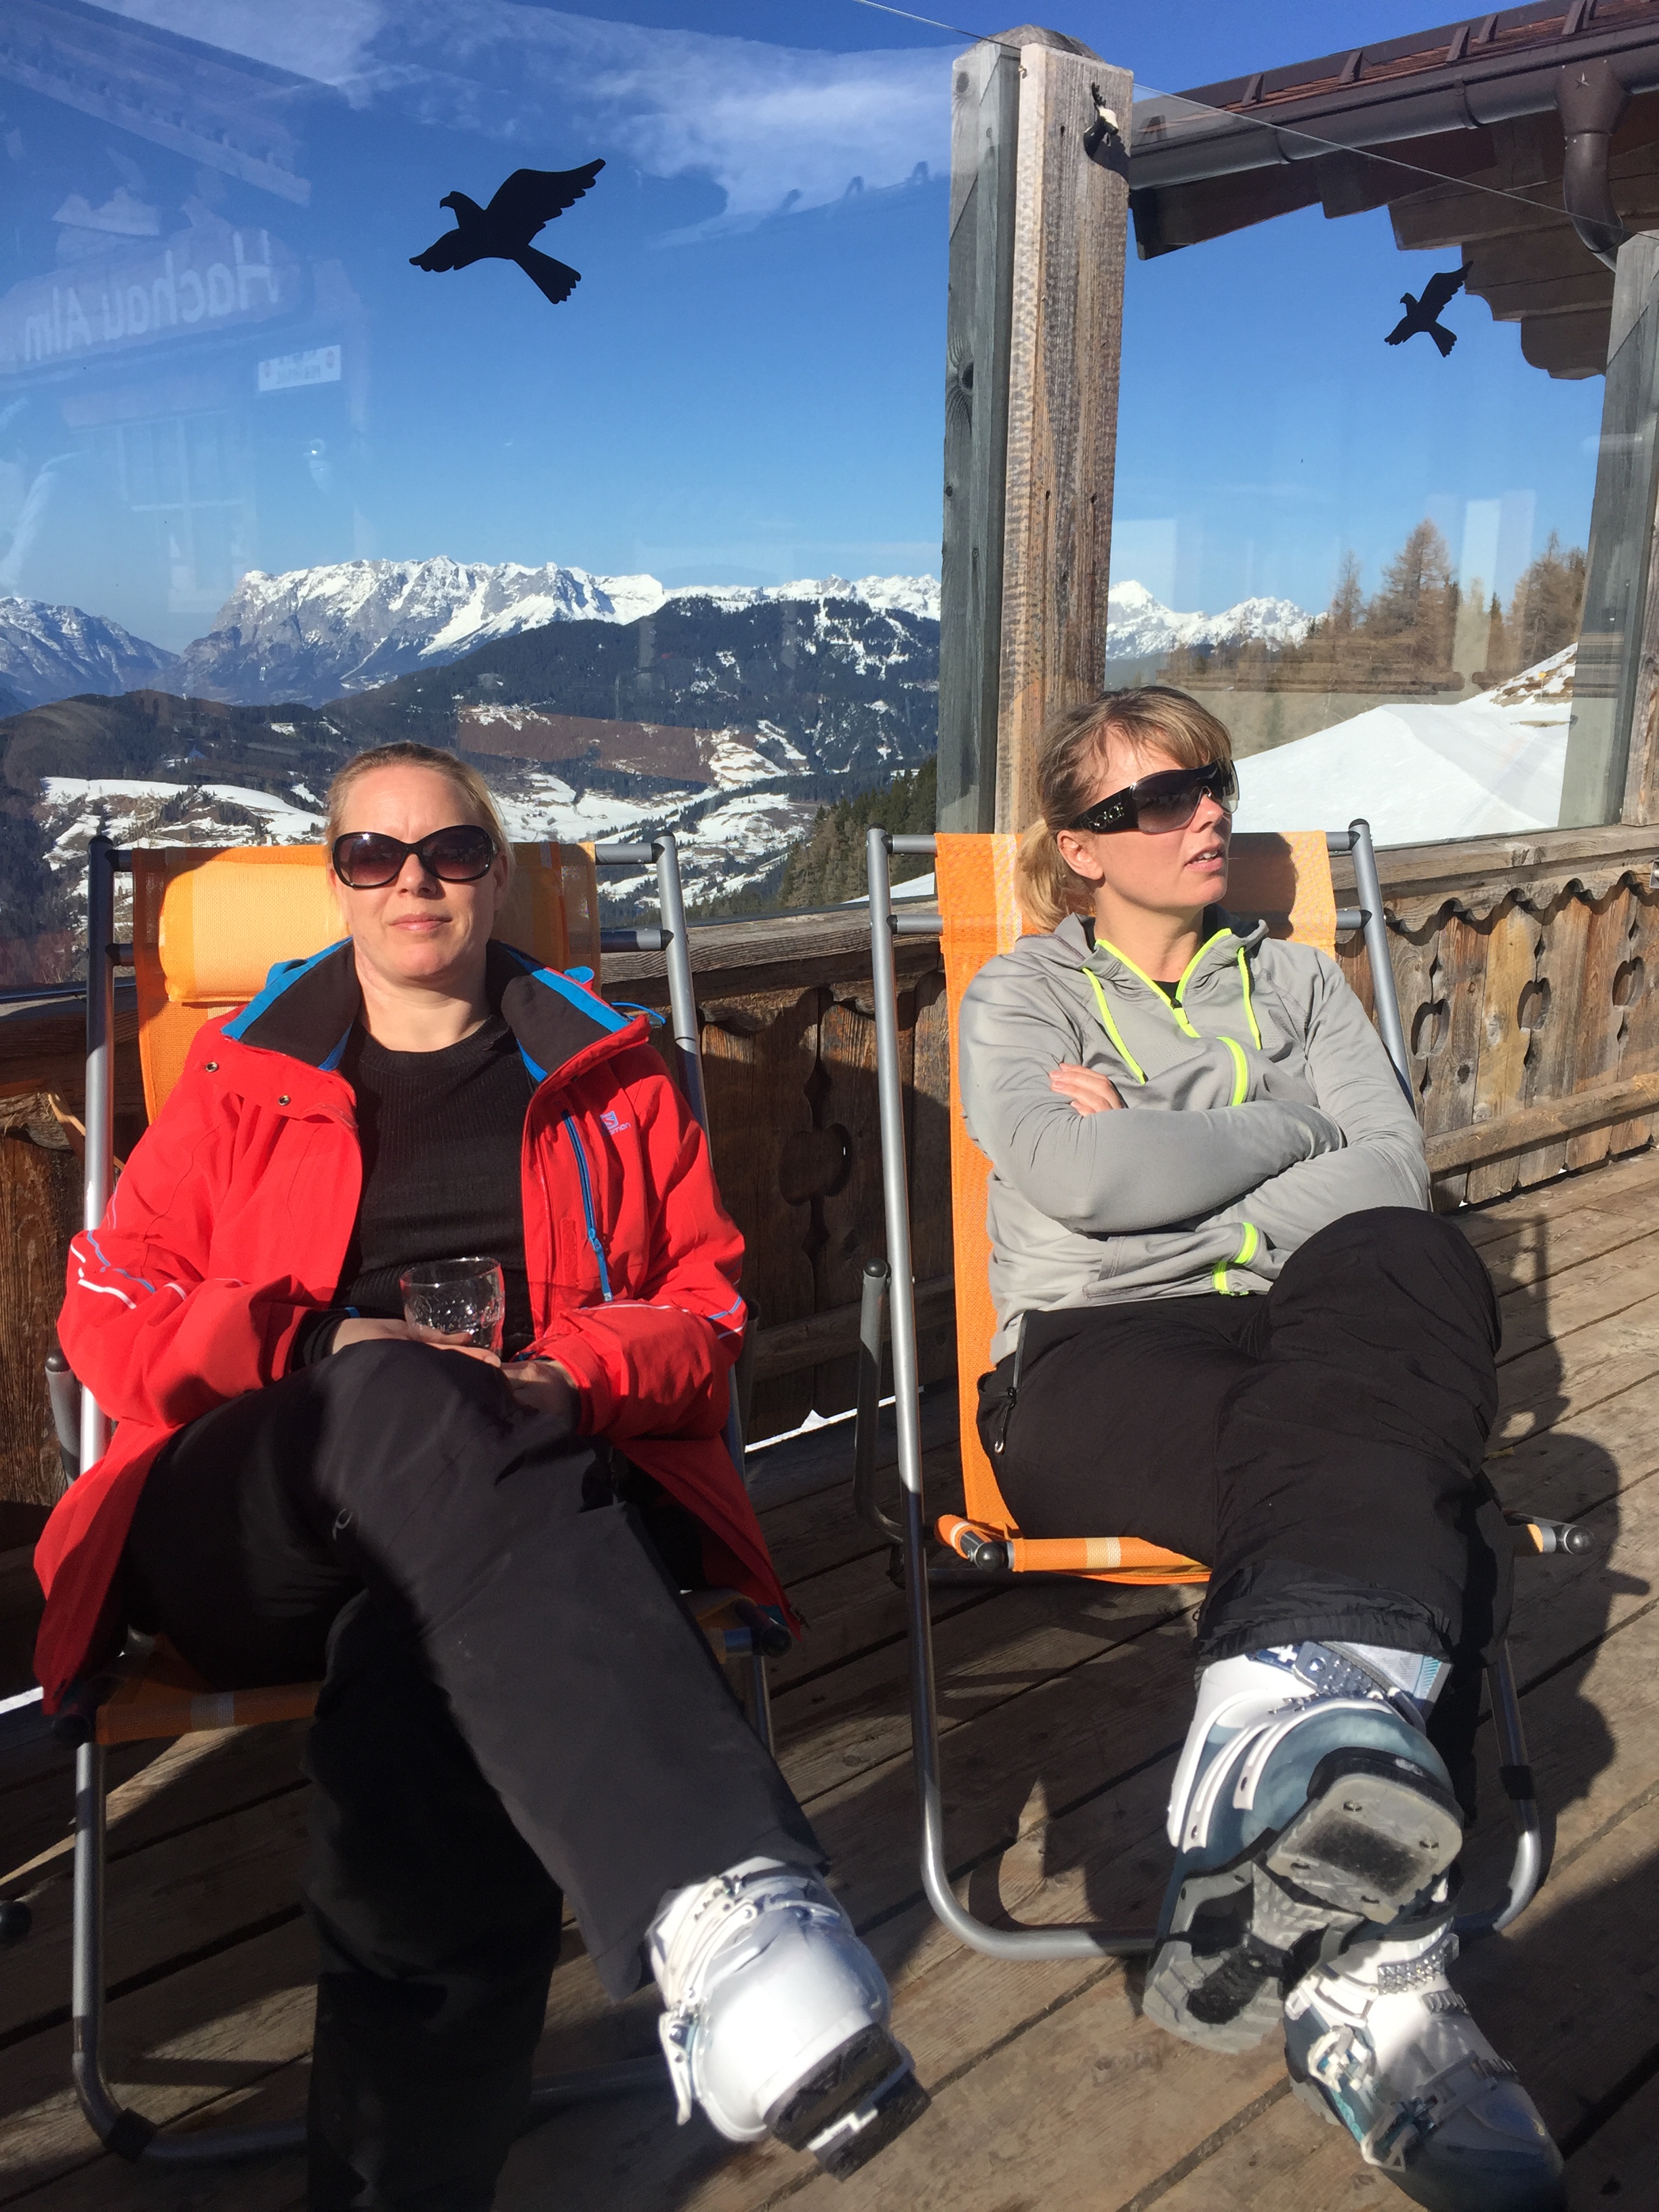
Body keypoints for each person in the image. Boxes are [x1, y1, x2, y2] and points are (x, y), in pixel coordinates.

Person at [35, 741, 923, 2209]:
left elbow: (705, 1314)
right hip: (263, 1514)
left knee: (425, 1723)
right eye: (372, 856)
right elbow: (108, 1307)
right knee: (394, 1393)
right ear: (335, 883)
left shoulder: (606, 1076)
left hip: (514, 1508)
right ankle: (719, 1893)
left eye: (449, 851)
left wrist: (567, 1376)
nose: (414, 882)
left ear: (496, 874)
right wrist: (315, 1341)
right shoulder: (244, 1078)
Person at [956, 689, 1563, 2212]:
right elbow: (1077, 1177)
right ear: (1080, 848)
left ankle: (1287, 1761)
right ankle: (1387, 1996)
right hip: (1094, 1362)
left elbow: (1395, 1177)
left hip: (1314, 1328)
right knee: (1431, 1515)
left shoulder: (1294, 980)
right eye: (1157, 801)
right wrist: (1292, 1132)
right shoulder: (1023, 995)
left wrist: (1179, 1174)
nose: (1207, 814)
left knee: (1416, 1260)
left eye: (1213, 783)